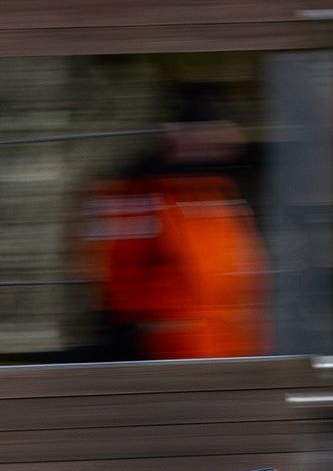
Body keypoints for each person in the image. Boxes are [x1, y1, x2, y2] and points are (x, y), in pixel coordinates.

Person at [81, 85, 269, 361]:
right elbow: (124, 296)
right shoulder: (140, 198)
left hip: (220, 358)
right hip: (174, 361)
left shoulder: (216, 196)